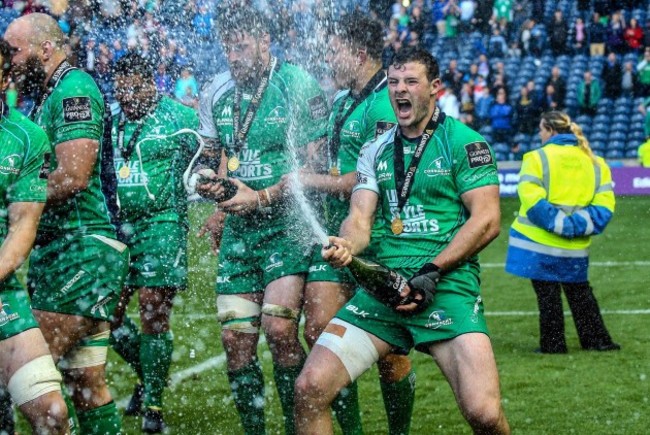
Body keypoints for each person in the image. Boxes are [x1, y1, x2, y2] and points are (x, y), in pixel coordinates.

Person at [294, 46, 510, 435]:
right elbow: (359, 219)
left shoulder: (464, 142)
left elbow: (488, 220)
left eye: (411, 81)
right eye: (393, 82)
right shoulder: (375, 148)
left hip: (445, 288)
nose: (399, 90)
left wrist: (431, 271)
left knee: (484, 415)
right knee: (310, 389)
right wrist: (347, 245)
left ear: (435, 88)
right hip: (384, 291)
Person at [195, 6, 328, 434]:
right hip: (239, 231)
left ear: (264, 43)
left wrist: (265, 197)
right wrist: (215, 193)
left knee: (278, 327)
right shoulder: (216, 91)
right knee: (235, 341)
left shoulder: (295, 84)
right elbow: (217, 158)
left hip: (287, 227)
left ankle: (295, 427)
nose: (233, 57)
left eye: (242, 47)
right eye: (227, 49)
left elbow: (318, 165)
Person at [290, 13, 416, 435]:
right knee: (317, 328)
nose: (326, 59)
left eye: (332, 51)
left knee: (390, 351)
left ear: (358, 53)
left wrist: (305, 179)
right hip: (334, 235)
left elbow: (367, 178)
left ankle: (399, 431)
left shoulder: (385, 102)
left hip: (376, 239)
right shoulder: (344, 100)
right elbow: (334, 161)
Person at [4, 13, 129, 434]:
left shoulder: (74, 88)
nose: (10, 61)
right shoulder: (46, 94)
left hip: (82, 250)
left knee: (22, 370)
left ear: (44, 48)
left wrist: (14, 196)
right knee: (86, 383)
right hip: (68, 252)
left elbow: (74, 175)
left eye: (15, 52)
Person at [108, 53, 199, 433]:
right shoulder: (110, 120)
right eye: (121, 88)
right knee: (107, 315)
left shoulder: (180, 117)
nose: (127, 95)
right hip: (119, 229)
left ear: (152, 83)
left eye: (135, 87)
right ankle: (148, 376)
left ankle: (154, 409)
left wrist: (220, 176)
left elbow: (214, 146)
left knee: (151, 309)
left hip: (163, 225)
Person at [505, 111, 620, 354]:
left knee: (548, 296)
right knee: (580, 292)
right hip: (575, 245)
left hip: (538, 241)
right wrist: (574, 225)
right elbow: (604, 205)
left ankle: (554, 344)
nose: (539, 134)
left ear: (550, 130)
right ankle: (597, 340)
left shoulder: (536, 158)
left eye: (540, 129)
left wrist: (558, 223)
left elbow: (531, 199)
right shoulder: (596, 162)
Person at [0, 37, 69, 435]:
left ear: (5, 78)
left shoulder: (26, 138)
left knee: (53, 413)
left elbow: (22, 228)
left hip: (1, 288)